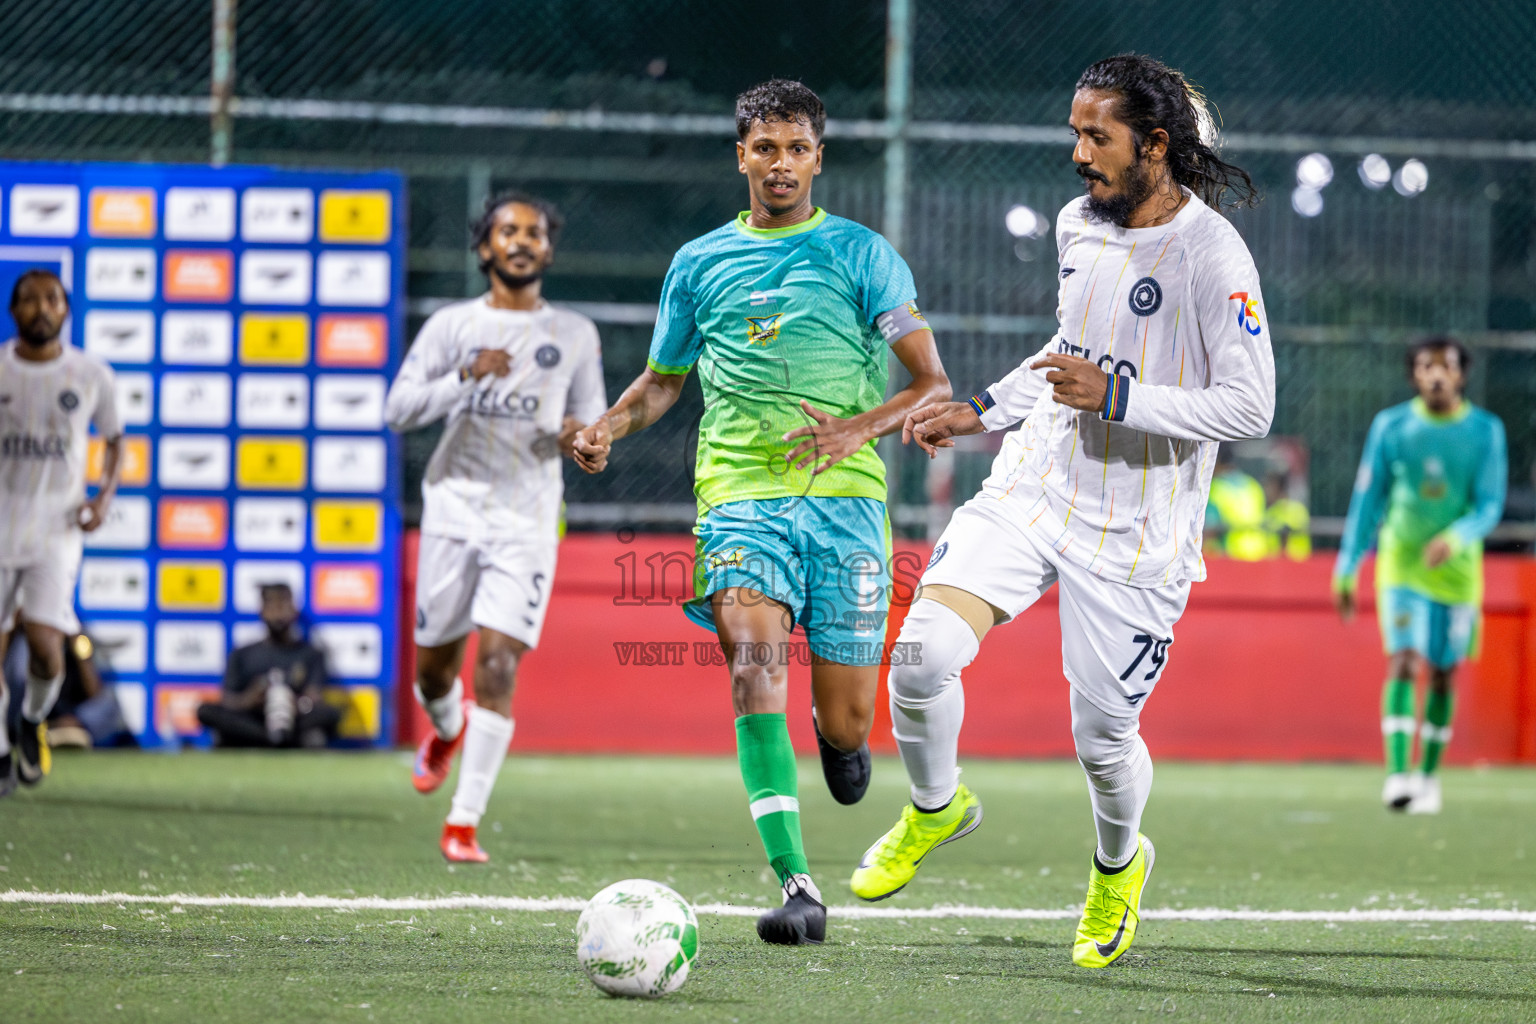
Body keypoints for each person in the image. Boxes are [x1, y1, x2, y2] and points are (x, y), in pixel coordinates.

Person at [847, 54, 1271, 969]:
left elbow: (1251, 407)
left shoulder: (1212, 255)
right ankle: (936, 807)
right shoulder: (1081, 221)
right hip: (1037, 487)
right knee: (919, 659)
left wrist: (1117, 397)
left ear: (1154, 145)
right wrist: (987, 410)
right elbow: (1071, 346)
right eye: (1074, 132)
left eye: (1096, 136)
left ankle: (1119, 864)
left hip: (1136, 528)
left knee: (1102, 736)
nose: (1077, 154)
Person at [573, 79, 950, 946]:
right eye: (765, 148)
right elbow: (664, 382)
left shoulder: (862, 254)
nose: (780, 165)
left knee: (849, 720)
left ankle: (840, 741)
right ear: (740, 155)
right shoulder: (699, 261)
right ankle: (798, 884)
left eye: (797, 149)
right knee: (754, 664)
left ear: (819, 157)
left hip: (849, 509)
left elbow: (932, 384)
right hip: (740, 498)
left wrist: (854, 430)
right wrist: (608, 425)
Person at [385, 191, 606, 864]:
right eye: (507, 231)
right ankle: (444, 730)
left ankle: (463, 822)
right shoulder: (454, 325)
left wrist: (582, 440)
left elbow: (591, 423)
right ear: (485, 248)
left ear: (548, 248)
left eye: (533, 233)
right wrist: (463, 375)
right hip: (454, 513)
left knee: (500, 666)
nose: (520, 241)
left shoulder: (574, 334)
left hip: (529, 520)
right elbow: (398, 409)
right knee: (432, 676)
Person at [1333, 337, 1506, 815]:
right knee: (1406, 660)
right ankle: (1398, 777)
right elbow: (1368, 500)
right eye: (1426, 367)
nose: (1436, 375)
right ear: (1413, 374)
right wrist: (1347, 567)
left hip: (1457, 572)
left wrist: (1456, 536)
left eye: (1445, 367)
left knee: (1445, 673)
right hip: (1402, 563)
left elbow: (1490, 505)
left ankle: (1429, 777)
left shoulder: (1485, 431)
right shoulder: (1391, 426)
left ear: (1461, 375)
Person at [0, 269, 121, 797]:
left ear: (66, 310)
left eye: (52, 299)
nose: (41, 308)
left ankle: (32, 719)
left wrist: (103, 496)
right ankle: (2, 754)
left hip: (56, 529)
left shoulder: (91, 374)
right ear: (13, 310)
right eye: (30, 300)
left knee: (48, 648)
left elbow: (116, 440)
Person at [197, 583, 339, 747]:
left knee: (331, 714)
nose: (278, 614)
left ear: (294, 611)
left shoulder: (312, 654)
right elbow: (227, 699)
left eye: (284, 605)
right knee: (206, 711)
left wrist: (291, 702)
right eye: (272, 606)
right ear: (261, 611)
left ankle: (271, 737)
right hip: (253, 718)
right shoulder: (242, 654)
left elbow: (314, 697)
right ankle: (274, 739)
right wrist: (249, 699)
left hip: (295, 719)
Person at [1205, 446, 1269, 560]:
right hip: (1259, 553)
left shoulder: (1215, 487)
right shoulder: (1253, 485)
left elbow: (1209, 532)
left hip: (1231, 555)